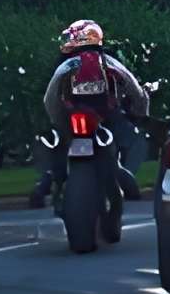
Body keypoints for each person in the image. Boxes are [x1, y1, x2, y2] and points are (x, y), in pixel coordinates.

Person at [30, 20, 151, 208]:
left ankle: (50, 182)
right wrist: (141, 113)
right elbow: (134, 89)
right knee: (116, 157)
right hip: (104, 118)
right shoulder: (109, 61)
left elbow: (50, 99)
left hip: (73, 120)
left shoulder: (65, 65)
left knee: (59, 152)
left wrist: (57, 120)